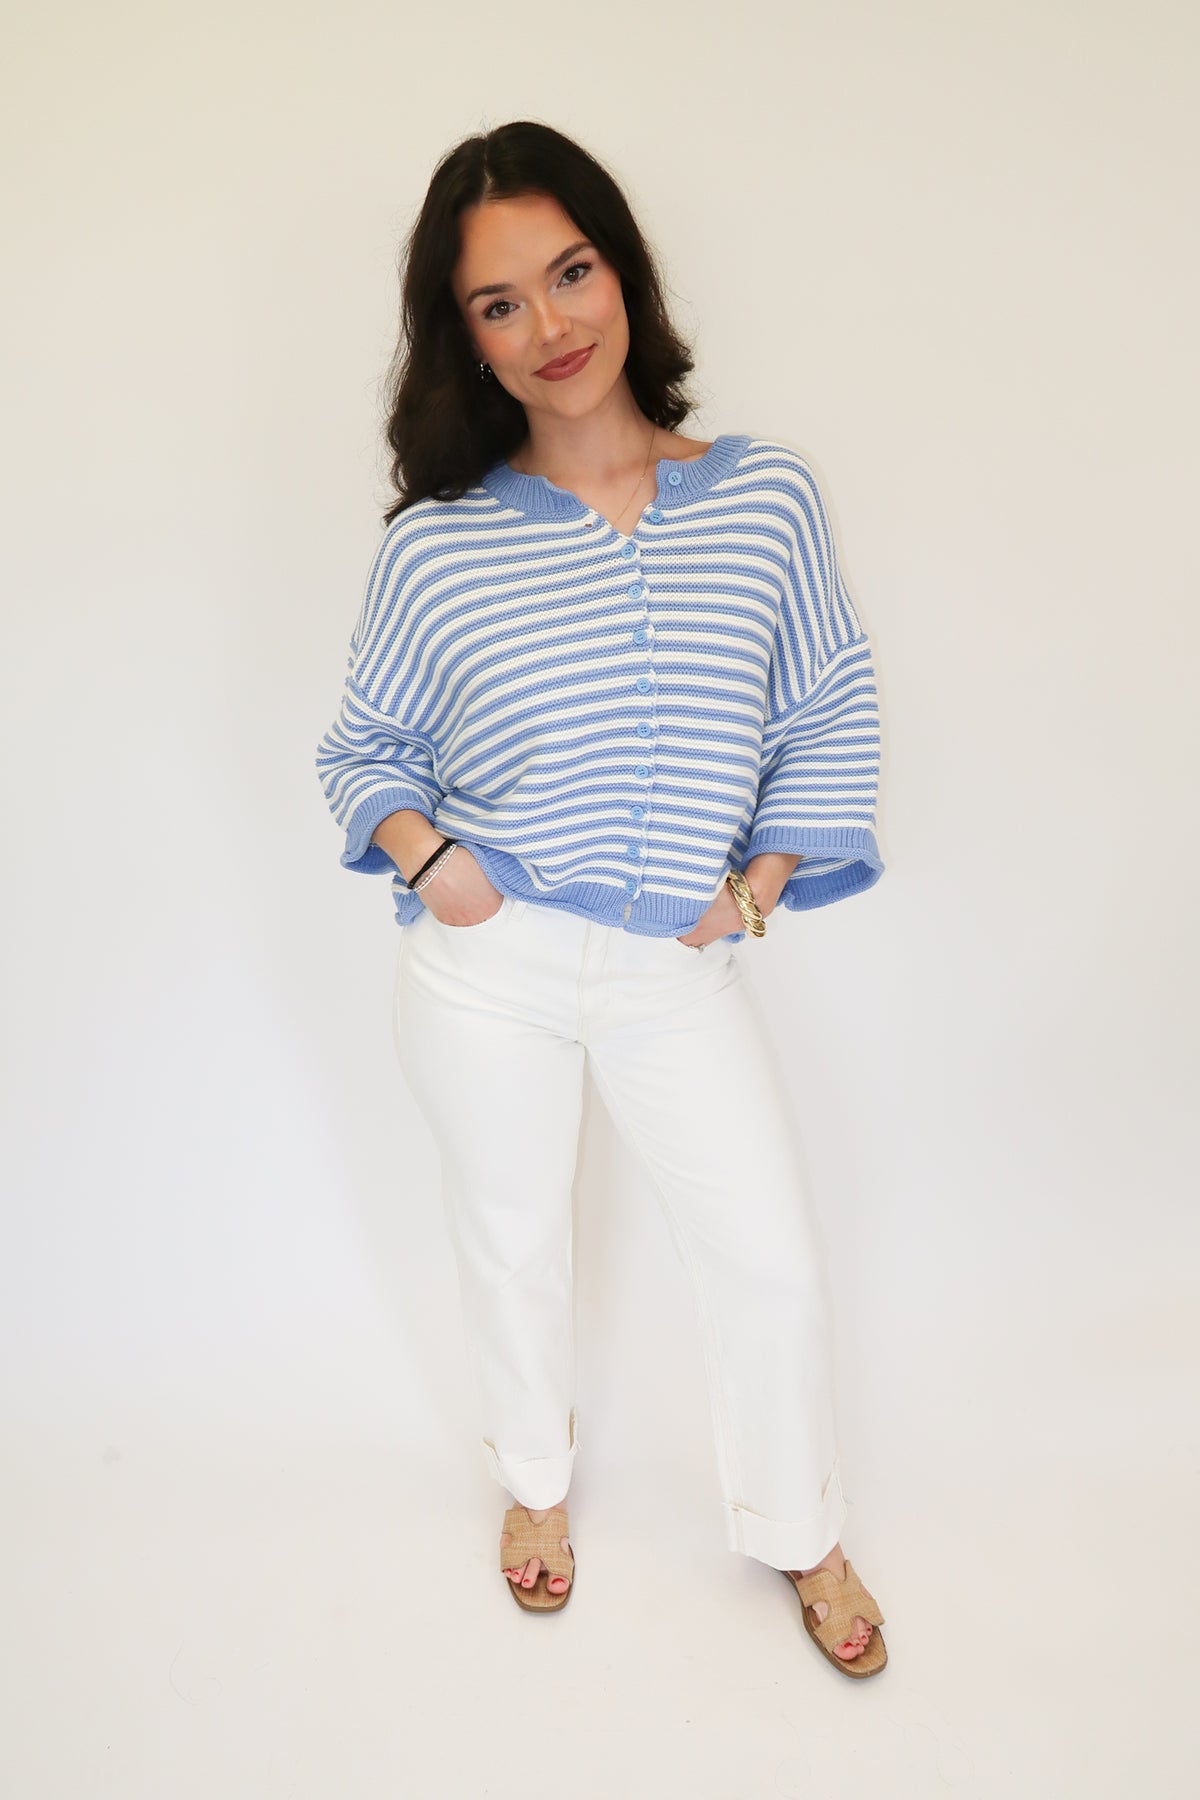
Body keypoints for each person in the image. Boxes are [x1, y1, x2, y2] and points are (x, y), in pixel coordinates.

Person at [315, 120, 888, 1676]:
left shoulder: (766, 500)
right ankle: (534, 1477)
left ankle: (800, 1527)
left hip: (672, 965)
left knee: (770, 1255)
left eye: (571, 274)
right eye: (500, 303)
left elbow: (828, 706)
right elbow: (363, 751)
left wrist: (755, 890)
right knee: (512, 1238)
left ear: (623, 272)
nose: (551, 326)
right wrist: (438, 868)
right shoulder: (437, 549)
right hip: (485, 962)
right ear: (467, 338)